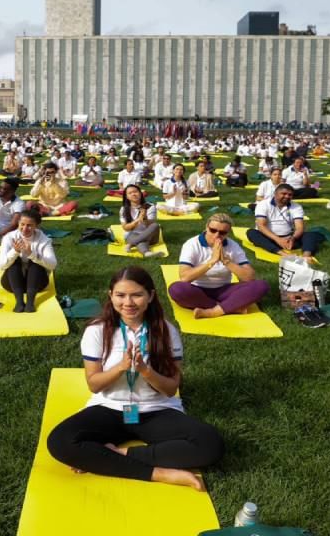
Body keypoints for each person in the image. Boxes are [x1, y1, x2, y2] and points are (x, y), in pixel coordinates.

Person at [45, 266, 222, 491]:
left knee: (210, 443)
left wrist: (145, 370)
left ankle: (114, 455)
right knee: (60, 442)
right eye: (120, 295)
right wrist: (121, 367)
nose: (128, 302)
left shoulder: (167, 331)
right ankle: (159, 473)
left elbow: (170, 389)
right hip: (110, 408)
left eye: (137, 294)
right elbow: (94, 384)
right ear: (110, 296)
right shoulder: (97, 330)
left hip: (155, 410)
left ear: (150, 296)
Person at [168, 213, 268, 319]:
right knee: (176, 289)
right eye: (213, 230)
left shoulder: (233, 246)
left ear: (227, 233)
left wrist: (226, 261)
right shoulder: (192, 244)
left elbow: (249, 277)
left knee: (261, 285)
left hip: (224, 290)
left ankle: (213, 311)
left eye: (222, 232)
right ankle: (231, 307)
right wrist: (212, 261)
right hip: (198, 290)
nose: (217, 235)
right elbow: (185, 277)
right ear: (206, 227)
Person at [0, 208, 57, 312]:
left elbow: (53, 265)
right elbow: (1, 265)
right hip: (11, 284)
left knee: (35, 261)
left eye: (29, 225)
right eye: (22, 224)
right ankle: (19, 302)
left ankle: (30, 302)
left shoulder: (44, 240)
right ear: (18, 223)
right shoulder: (9, 238)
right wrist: (15, 251)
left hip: (37, 284)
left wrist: (32, 254)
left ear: (36, 226)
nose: (25, 228)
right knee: (15, 261)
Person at [247, 184, 323, 259]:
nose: (287, 196)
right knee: (252, 233)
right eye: (283, 194)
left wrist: (293, 238)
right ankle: (282, 253)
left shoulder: (296, 206)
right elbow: (261, 225)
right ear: (275, 194)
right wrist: (278, 239)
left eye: (290, 195)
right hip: (269, 238)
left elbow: (300, 227)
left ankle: (306, 256)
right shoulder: (263, 204)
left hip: (289, 239)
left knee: (310, 235)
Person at [119, 185, 161, 257]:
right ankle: (147, 253)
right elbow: (126, 228)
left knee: (155, 225)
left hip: (150, 235)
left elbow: (150, 226)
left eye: (135, 192)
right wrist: (137, 220)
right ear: (126, 197)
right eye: (130, 193)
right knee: (140, 240)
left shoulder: (150, 206)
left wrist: (144, 218)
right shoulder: (124, 209)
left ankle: (131, 244)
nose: (133, 194)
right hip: (133, 234)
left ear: (140, 193)